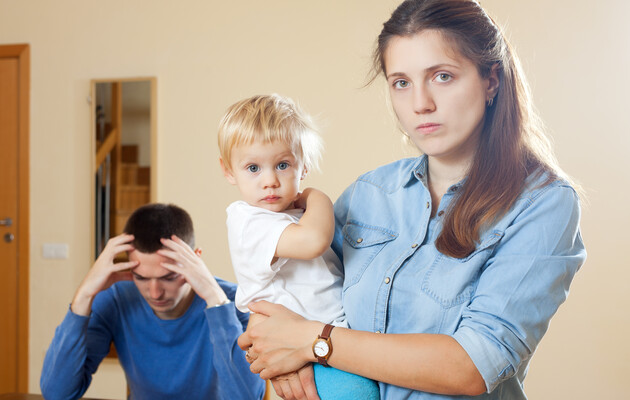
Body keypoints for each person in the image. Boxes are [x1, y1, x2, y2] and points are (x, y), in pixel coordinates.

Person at [237, 1, 587, 399]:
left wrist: (315, 342)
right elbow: (292, 292)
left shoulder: (544, 204)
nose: (421, 103)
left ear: (491, 80)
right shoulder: (369, 192)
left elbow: (473, 365)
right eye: (401, 82)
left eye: (442, 76)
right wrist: (270, 343)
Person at [218, 94, 380, 399]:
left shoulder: (294, 216)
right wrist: (317, 196)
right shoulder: (246, 220)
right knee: (361, 394)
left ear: (302, 165)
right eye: (253, 168)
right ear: (228, 170)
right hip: (305, 353)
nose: (270, 180)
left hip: (329, 339)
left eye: (282, 165)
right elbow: (313, 241)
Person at [40, 203, 265, 400]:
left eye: (169, 277)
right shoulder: (116, 298)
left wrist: (216, 301)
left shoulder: (237, 302)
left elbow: (247, 397)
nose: (155, 293)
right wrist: (84, 295)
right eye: (141, 278)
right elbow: (57, 393)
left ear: (195, 259)